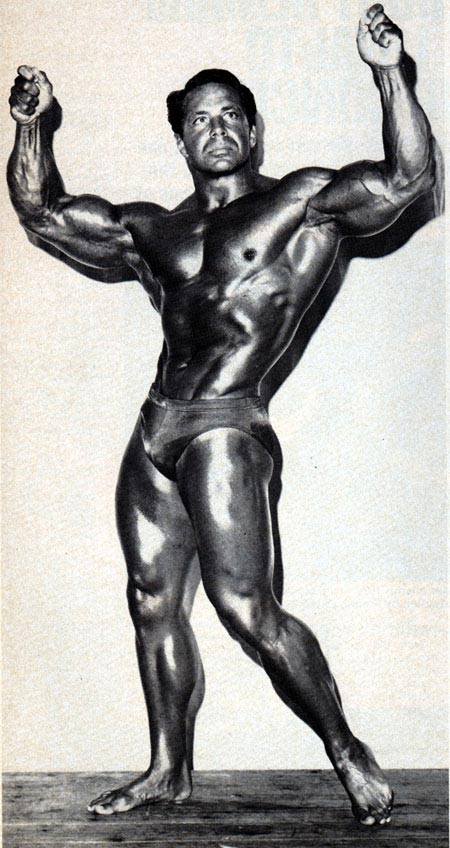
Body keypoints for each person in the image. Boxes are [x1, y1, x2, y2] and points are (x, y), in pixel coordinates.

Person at [8, 4, 436, 827]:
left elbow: (405, 179)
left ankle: (347, 749)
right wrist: (31, 127)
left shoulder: (301, 205)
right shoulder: (154, 230)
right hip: (155, 431)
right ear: (181, 140)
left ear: (254, 130)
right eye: (200, 119)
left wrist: (389, 74)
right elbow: (44, 213)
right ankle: (168, 770)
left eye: (232, 114)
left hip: (227, 427)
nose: (218, 128)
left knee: (246, 610)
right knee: (150, 601)